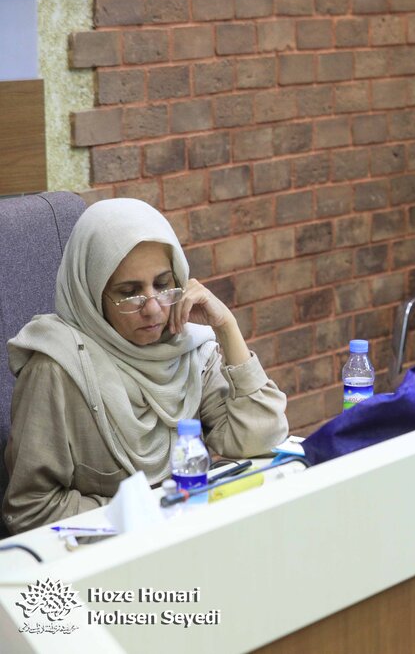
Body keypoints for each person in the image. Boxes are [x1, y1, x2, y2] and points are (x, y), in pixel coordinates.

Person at [3, 199, 288, 533]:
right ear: (91, 295)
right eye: (129, 292)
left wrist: (226, 327)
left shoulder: (188, 348)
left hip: (191, 538)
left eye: (164, 285)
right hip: (111, 556)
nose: (153, 309)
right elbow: (29, 509)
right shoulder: (55, 370)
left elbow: (260, 438)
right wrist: (144, 512)